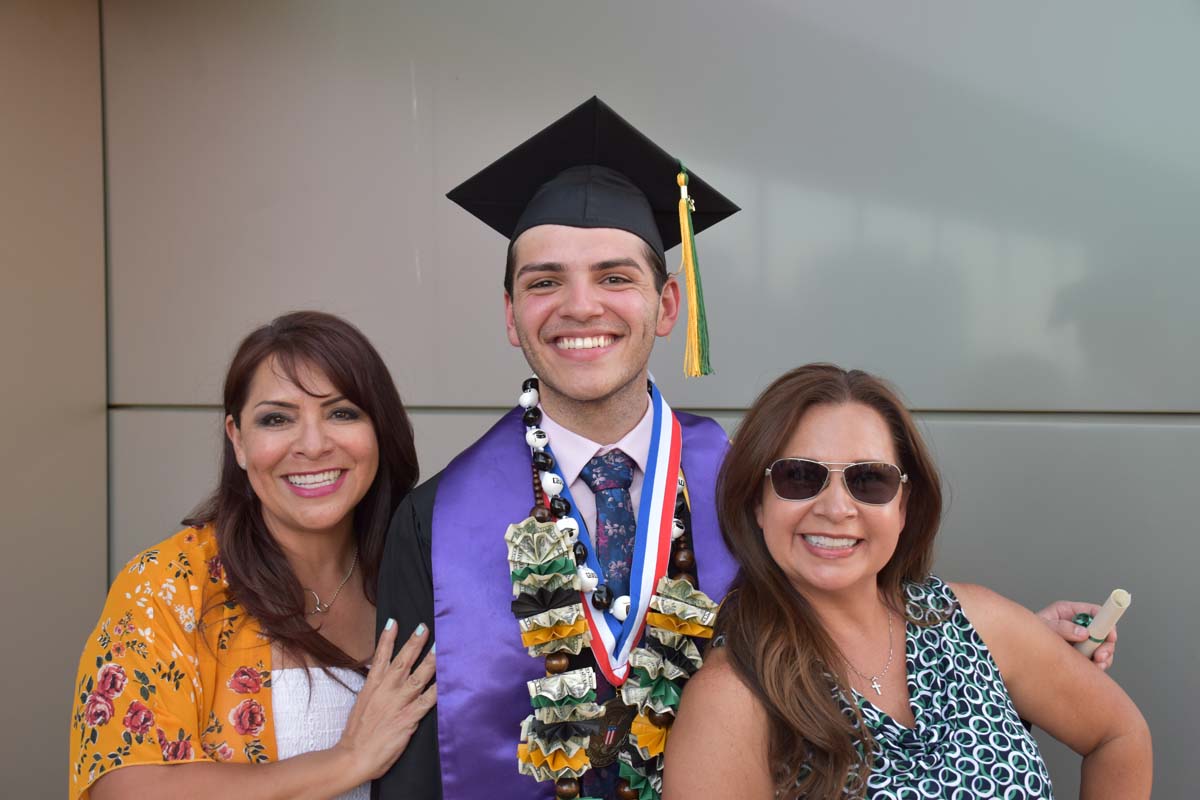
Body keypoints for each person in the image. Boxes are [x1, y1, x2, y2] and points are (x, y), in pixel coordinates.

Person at [374, 99, 1117, 800]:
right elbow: (412, 767)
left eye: (614, 277)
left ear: (667, 305)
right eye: (545, 282)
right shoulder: (435, 524)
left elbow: (862, 618)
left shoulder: (754, 485)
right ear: (512, 315)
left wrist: (1014, 652)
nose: (580, 306)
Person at [664, 364, 1151, 799]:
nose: (836, 508)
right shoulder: (731, 701)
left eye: (869, 480)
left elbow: (1119, 735)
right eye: (799, 477)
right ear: (757, 502)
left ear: (903, 505)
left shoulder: (974, 621)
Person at [69, 311, 437, 800]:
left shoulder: (427, 566)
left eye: (342, 412)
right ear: (238, 440)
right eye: (276, 419)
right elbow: (125, 789)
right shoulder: (167, 585)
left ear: (379, 431)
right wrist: (348, 759)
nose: (312, 444)